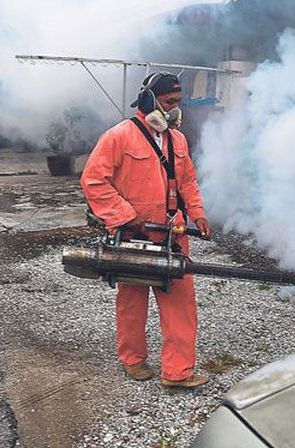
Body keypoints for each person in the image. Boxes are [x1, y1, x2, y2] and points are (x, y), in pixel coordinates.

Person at [81, 72, 212, 388]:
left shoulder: (177, 140)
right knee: (132, 300)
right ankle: (133, 359)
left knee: (181, 302)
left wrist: (198, 214)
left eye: (177, 104)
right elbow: (93, 181)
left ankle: (178, 372)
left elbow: (188, 182)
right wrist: (125, 214)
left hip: (173, 232)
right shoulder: (119, 137)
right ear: (150, 100)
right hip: (133, 235)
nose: (173, 110)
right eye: (169, 103)